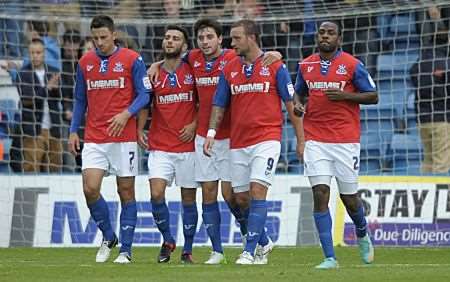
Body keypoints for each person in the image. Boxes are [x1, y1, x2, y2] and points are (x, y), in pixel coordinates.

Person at [148, 18, 282, 264]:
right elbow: (172, 58)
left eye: (210, 37)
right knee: (208, 193)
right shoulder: (193, 59)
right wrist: (156, 63)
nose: (205, 41)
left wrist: (275, 53)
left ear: (220, 39)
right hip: (204, 136)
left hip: (232, 136)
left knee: (232, 195)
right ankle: (217, 251)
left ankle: (258, 238)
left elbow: (259, 56)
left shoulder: (234, 56)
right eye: (201, 38)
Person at [204, 19, 304, 265]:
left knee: (258, 190)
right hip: (238, 143)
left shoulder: (275, 66)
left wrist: (301, 140)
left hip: (267, 139)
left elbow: (292, 105)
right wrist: (211, 133)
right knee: (240, 198)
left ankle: (248, 250)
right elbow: (219, 103)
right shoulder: (229, 69)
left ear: (251, 38)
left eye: (236, 38)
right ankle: (265, 242)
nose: (231, 43)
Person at [294, 21, 377, 269]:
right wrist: (298, 104)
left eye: (330, 33)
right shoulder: (306, 65)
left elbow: (373, 96)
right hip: (315, 139)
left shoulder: (352, 64)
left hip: (345, 140)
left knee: (349, 198)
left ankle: (362, 232)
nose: (325, 36)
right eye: (322, 32)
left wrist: (345, 96)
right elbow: (298, 92)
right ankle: (330, 257)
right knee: (320, 193)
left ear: (339, 38)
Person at [68, 15, 150, 264]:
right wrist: (73, 130)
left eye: (103, 37)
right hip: (94, 136)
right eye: (95, 38)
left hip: (124, 138)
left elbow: (145, 94)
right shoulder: (85, 62)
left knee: (126, 191)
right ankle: (108, 236)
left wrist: (127, 115)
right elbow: (80, 100)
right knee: (89, 188)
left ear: (114, 34)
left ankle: (126, 250)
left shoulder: (132, 59)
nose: (99, 43)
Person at [137, 25, 199, 264]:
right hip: (160, 145)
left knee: (188, 200)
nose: (170, 41)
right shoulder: (152, 72)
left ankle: (188, 249)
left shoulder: (192, 69)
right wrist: (139, 129)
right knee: (156, 194)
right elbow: (145, 103)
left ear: (184, 46)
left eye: (175, 38)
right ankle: (168, 239)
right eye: (167, 38)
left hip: (187, 146)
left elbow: (204, 99)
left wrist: (194, 124)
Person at [16, 38, 64, 173]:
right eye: (32, 53)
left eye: (38, 52)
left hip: (54, 128)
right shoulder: (24, 74)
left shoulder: (54, 71)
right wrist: (47, 88)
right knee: (31, 168)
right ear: (28, 54)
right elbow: (27, 99)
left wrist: (57, 88)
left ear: (44, 53)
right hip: (33, 129)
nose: (35, 56)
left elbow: (63, 95)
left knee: (54, 168)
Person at [410, 29, 450, 174]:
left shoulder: (420, 62)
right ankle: (439, 195)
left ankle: (423, 190)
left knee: (428, 159)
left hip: (422, 118)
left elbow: (413, 77)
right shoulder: (446, 62)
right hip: (441, 117)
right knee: (441, 162)